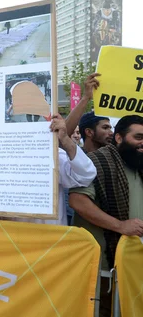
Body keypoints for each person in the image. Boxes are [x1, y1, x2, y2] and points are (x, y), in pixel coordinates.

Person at [70, 115, 143, 317]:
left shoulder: (139, 164)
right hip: (102, 268)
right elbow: (77, 201)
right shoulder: (96, 162)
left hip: (134, 266)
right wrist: (120, 226)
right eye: (138, 137)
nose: (142, 142)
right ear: (118, 138)